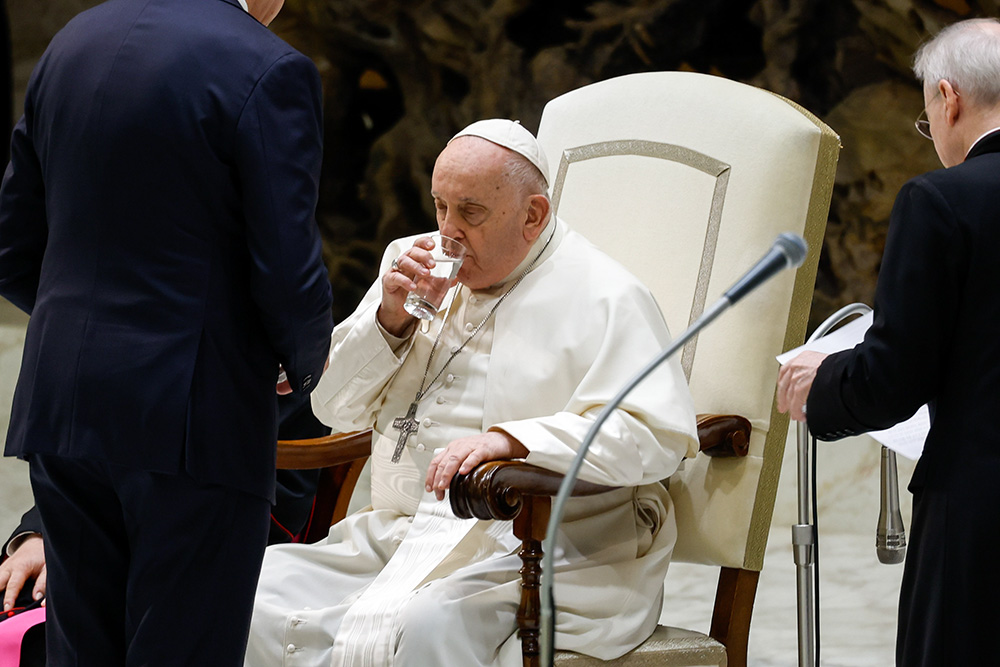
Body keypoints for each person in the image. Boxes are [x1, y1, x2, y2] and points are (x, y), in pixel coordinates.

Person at [245, 119, 700, 666]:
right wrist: (389, 322)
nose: (447, 232)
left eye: (471, 212)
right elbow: (333, 407)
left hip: (539, 551)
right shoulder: (411, 265)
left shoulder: (605, 294)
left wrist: (513, 441)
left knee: (426, 624)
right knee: (252, 592)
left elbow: (656, 436)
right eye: (440, 206)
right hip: (399, 534)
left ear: (534, 215)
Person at [0, 0, 334, 663]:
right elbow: (287, 266)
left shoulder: (73, 44)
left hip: (63, 397)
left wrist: (79, 334)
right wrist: (304, 366)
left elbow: (12, 244)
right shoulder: (267, 66)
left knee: (83, 648)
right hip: (193, 413)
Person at [776, 18, 1000, 667]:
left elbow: (894, 376)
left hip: (978, 520)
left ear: (948, 98)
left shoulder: (940, 201)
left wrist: (823, 382)